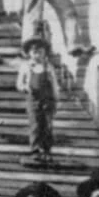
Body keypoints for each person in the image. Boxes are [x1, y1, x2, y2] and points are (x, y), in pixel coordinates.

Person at [17, 36, 60, 166]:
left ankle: (46, 151)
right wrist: (25, 88)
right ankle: (35, 150)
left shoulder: (48, 67)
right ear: (29, 53)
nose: (37, 55)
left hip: (48, 100)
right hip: (33, 100)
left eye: (40, 52)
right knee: (35, 125)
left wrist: (56, 98)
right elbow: (19, 83)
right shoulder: (26, 66)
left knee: (47, 125)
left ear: (44, 53)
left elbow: (54, 84)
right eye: (34, 52)